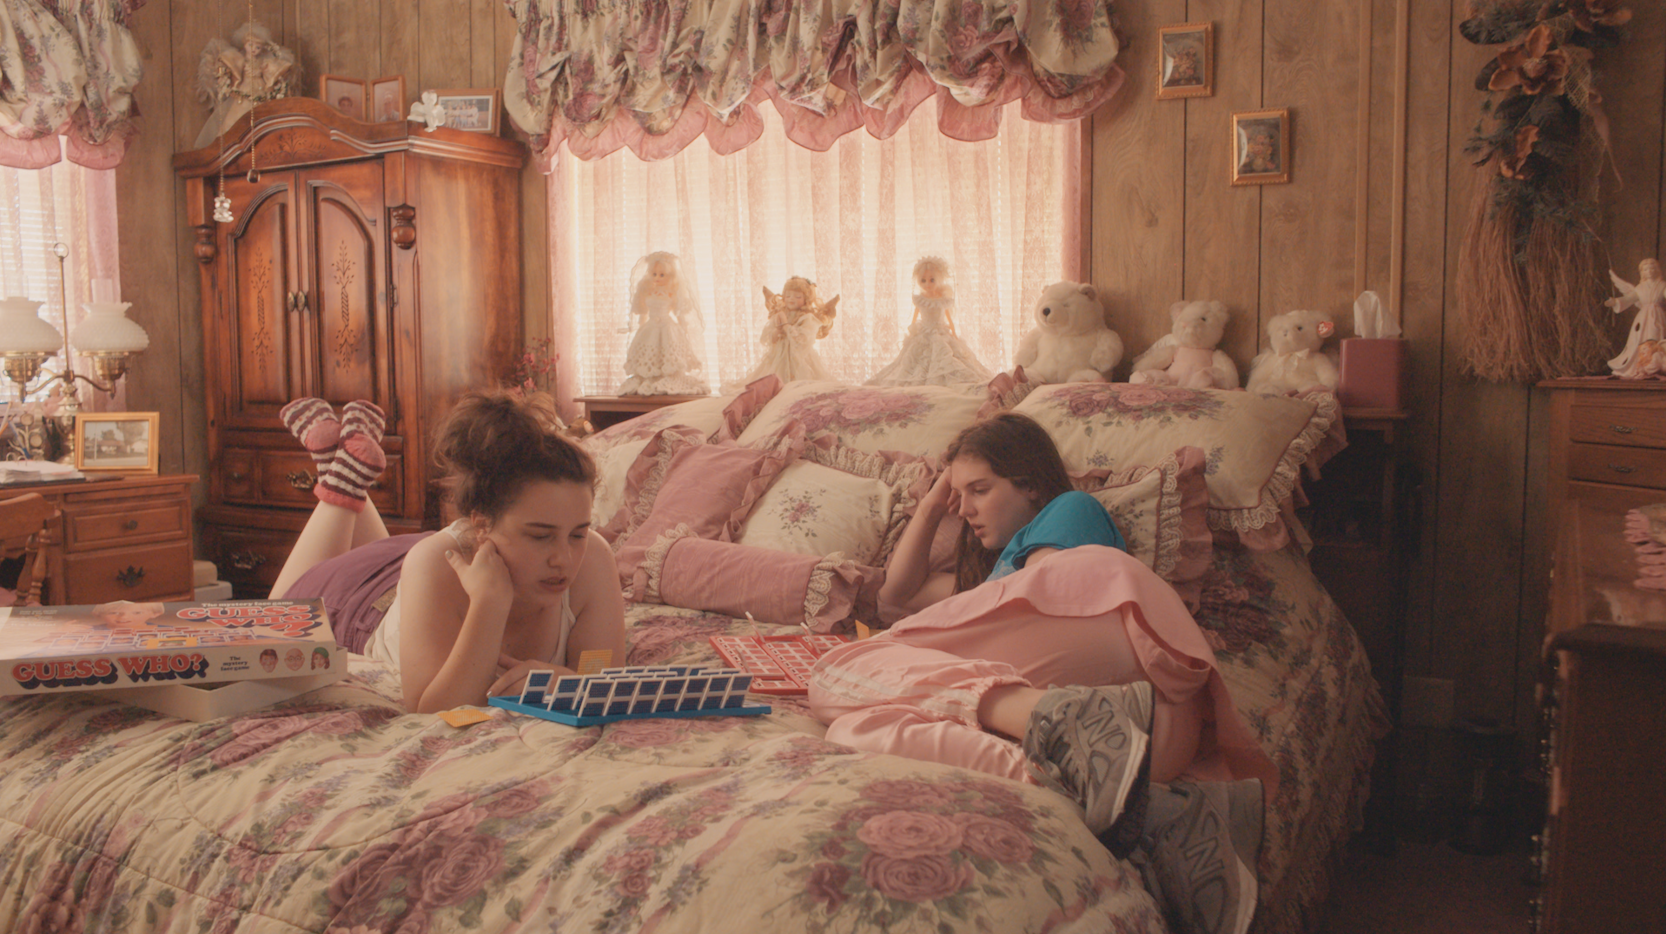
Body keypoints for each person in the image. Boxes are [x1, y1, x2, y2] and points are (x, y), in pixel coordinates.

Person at [808, 412, 1275, 934]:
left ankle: (1065, 723)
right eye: (958, 497)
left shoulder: (1067, 512)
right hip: (1150, 749)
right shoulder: (991, 578)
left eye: (979, 490)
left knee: (837, 668)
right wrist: (935, 500)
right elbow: (894, 598)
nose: (965, 510)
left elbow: (1049, 589)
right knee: (856, 727)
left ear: (1029, 483)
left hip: (1125, 652)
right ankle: (1155, 811)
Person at [268, 392, 626, 713]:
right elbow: (431, 711)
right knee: (277, 610)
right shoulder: (432, 563)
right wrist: (489, 604)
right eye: (540, 536)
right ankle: (342, 480)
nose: (563, 559)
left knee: (398, 555)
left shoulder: (593, 557)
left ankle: (343, 466)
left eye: (578, 533)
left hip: (424, 566)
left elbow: (602, 678)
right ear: (482, 525)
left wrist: (567, 684)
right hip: (364, 606)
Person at [866, 256, 994, 388]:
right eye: (923, 280)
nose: (927, 284)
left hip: (940, 333)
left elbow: (948, 318)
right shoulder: (920, 300)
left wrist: (953, 332)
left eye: (932, 280)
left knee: (947, 356)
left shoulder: (942, 300)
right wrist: (913, 329)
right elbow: (915, 317)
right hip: (923, 332)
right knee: (914, 361)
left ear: (939, 280)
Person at [618, 252, 710, 396]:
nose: (657, 278)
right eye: (654, 274)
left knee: (668, 350)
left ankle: (668, 376)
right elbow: (643, 314)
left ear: (670, 275)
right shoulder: (648, 291)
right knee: (650, 350)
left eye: (662, 275)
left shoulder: (671, 293)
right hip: (650, 327)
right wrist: (641, 328)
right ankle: (650, 375)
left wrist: (683, 328)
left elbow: (679, 313)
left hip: (668, 327)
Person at [726, 277, 839, 390]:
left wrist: (786, 326)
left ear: (806, 299)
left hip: (799, 358)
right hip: (778, 357)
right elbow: (770, 339)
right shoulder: (780, 314)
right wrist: (778, 330)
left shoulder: (808, 319)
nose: (791, 299)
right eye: (788, 295)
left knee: (801, 386)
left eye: (797, 296)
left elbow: (802, 340)